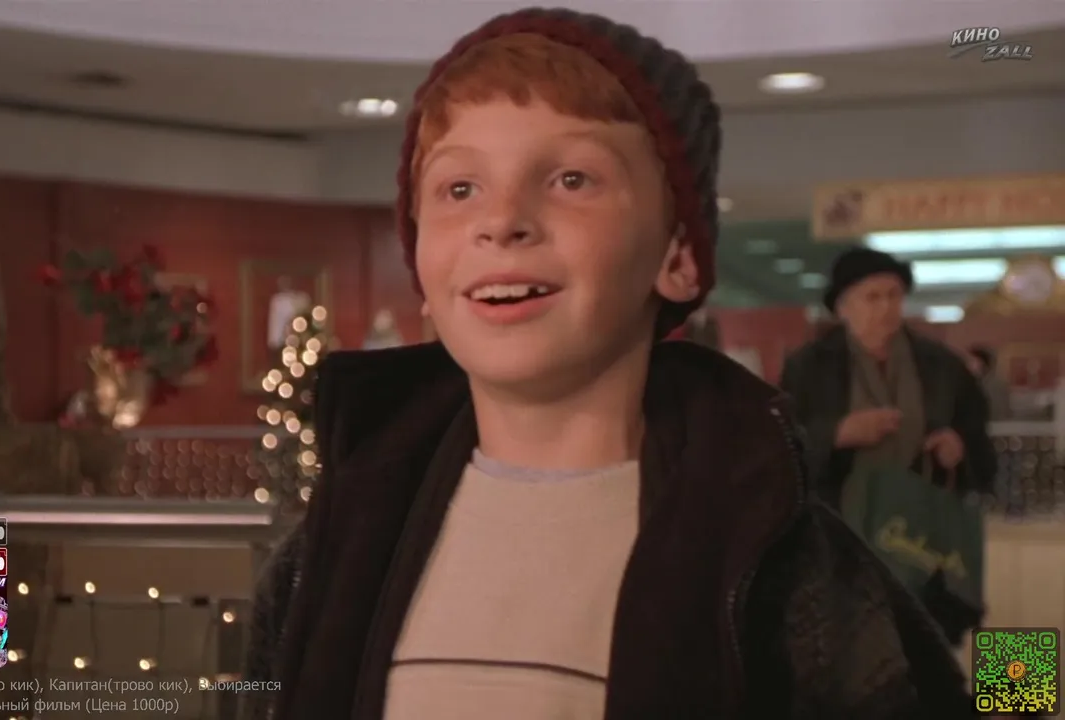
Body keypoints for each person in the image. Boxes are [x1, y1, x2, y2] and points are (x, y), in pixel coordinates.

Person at [246, 9, 970, 719]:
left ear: (678, 255)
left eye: (571, 179)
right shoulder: (333, 552)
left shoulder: (783, 563)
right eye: (459, 189)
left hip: (936, 545)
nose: (501, 222)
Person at [780, 247, 997, 509]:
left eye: (894, 295)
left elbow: (977, 435)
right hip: (838, 516)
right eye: (872, 297)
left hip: (925, 515)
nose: (886, 307)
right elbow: (782, 444)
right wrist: (836, 434)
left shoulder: (941, 364)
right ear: (842, 308)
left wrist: (959, 446)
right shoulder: (809, 367)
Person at [966, 345, 1014, 420]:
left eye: (972, 361)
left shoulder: (995, 385)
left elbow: (998, 411)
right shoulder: (975, 382)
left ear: (982, 363)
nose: (968, 365)